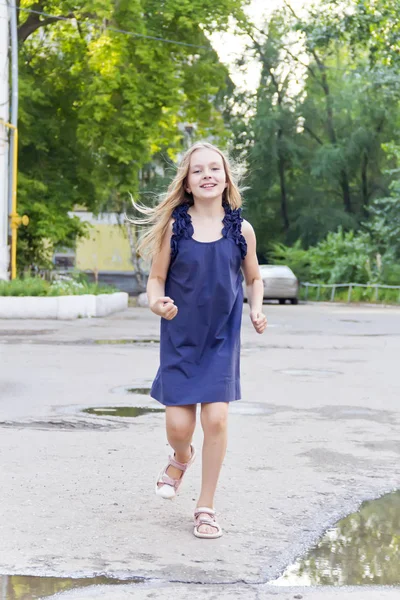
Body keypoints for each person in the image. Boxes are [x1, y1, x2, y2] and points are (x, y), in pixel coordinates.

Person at [131, 141, 267, 539]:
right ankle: (180, 457)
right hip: (181, 339)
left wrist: (257, 308)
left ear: (226, 178)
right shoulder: (176, 227)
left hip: (222, 338)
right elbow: (156, 279)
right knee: (178, 426)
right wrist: (157, 304)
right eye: (198, 170)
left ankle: (205, 506)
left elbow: (254, 278)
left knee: (217, 418)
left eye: (215, 168)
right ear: (187, 184)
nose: (207, 174)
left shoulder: (241, 229)